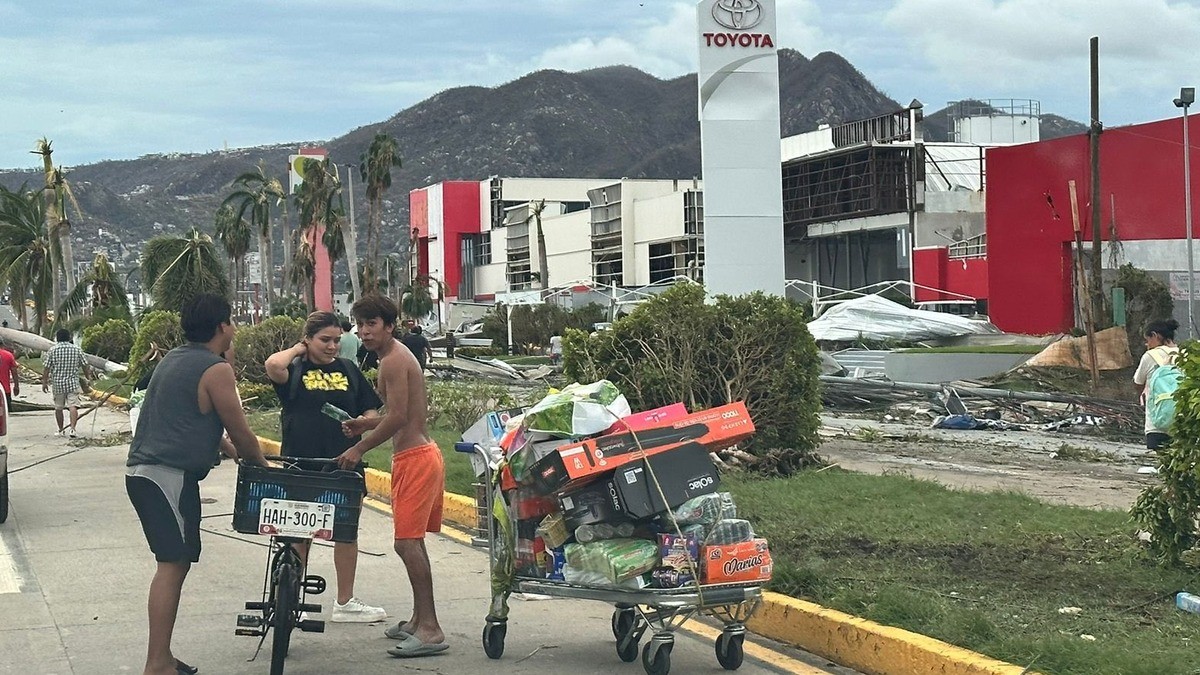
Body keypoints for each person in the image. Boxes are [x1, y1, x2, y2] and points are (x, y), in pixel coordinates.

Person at [125, 293, 268, 675]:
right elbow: (240, 429)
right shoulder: (215, 369)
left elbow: (188, 416)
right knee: (171, 565)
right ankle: (157, 664)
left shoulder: (175, 358)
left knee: (178, 563)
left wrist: (226, 449)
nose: (234, 328)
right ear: (222, 326)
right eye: (231, 322)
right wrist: (260, 463)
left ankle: (164, 658)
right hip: (164, 477)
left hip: (153, 475)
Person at [336, 295, 447, 658]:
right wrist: (364, 423)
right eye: (360, 324)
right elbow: (401, 412)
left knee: (406, 543)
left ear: (390, 326)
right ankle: (418, 620)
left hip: (417, 458)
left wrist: (359, 448)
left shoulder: (395, 359)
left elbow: (399, 417)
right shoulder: (390, 357)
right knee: (412, 542)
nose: (364, 331)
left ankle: (430, 629)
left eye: (372, 324)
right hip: (412, 456)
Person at [264, 311, 386, 623]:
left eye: (336, 340)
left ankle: (345, 601)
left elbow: (370, 409)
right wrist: (298, 350)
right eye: (324, 340)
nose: (332, 346)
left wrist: (362, 422)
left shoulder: (348, 369)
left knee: (345, 530)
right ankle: (289, 599)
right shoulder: (294, 369)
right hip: (300, 462)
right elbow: (273, 365)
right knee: (298, 533)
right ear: (308, 339)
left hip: (343, 462)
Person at [1134, 318, 1180, 450]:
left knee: (1156, 460)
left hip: (1155, 424)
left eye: (1147, 340)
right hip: (1182, 424)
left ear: (1155, 335)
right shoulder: (1186, 355)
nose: (1147, 344)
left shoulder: (1149, 356)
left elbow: (1138, 382)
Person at [42, 328, 91, 437]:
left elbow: (46, 368)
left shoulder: (52, 350)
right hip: (72, 383)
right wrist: (88, 377)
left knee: (58, 408)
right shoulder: (76, 349)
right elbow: (85, 364)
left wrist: (44, 382)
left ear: (57, 338)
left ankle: (60, 429)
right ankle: (73, 429)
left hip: (58, 384)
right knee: (73, 406)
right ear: (69, 338)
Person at [0, 341, 19, 411]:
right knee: (7, 412)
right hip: (5, 390)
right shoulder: (8, 355)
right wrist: (16, 386)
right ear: (2, 345)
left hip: (4, 389)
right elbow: (14, 372)